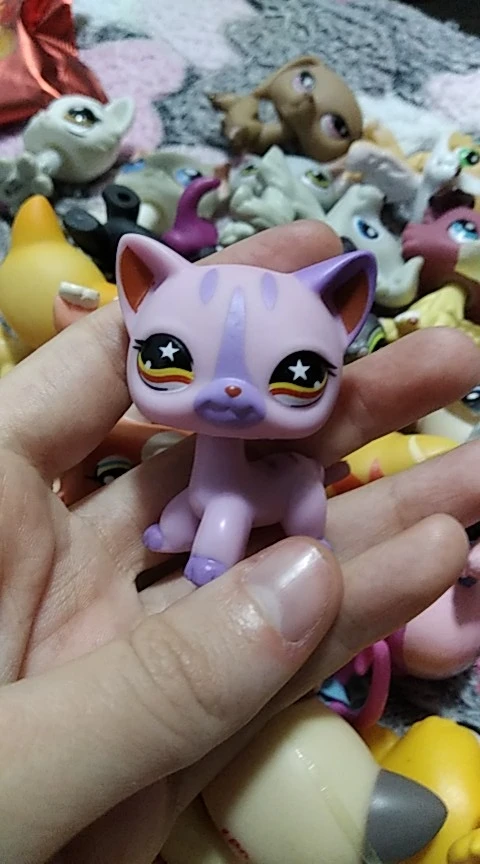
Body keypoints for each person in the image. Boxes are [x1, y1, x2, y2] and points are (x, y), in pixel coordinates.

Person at [0, 221, 478, 864]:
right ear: (138, 301)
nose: (229, 393)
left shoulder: (273, 474)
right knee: (195, 503)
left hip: (279, 487)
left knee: (257, 507)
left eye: (296, 376)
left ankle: (304, 531)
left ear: (345, 323)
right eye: (169, 361)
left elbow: (218, 519)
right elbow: (199, 500)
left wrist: (219, 560)